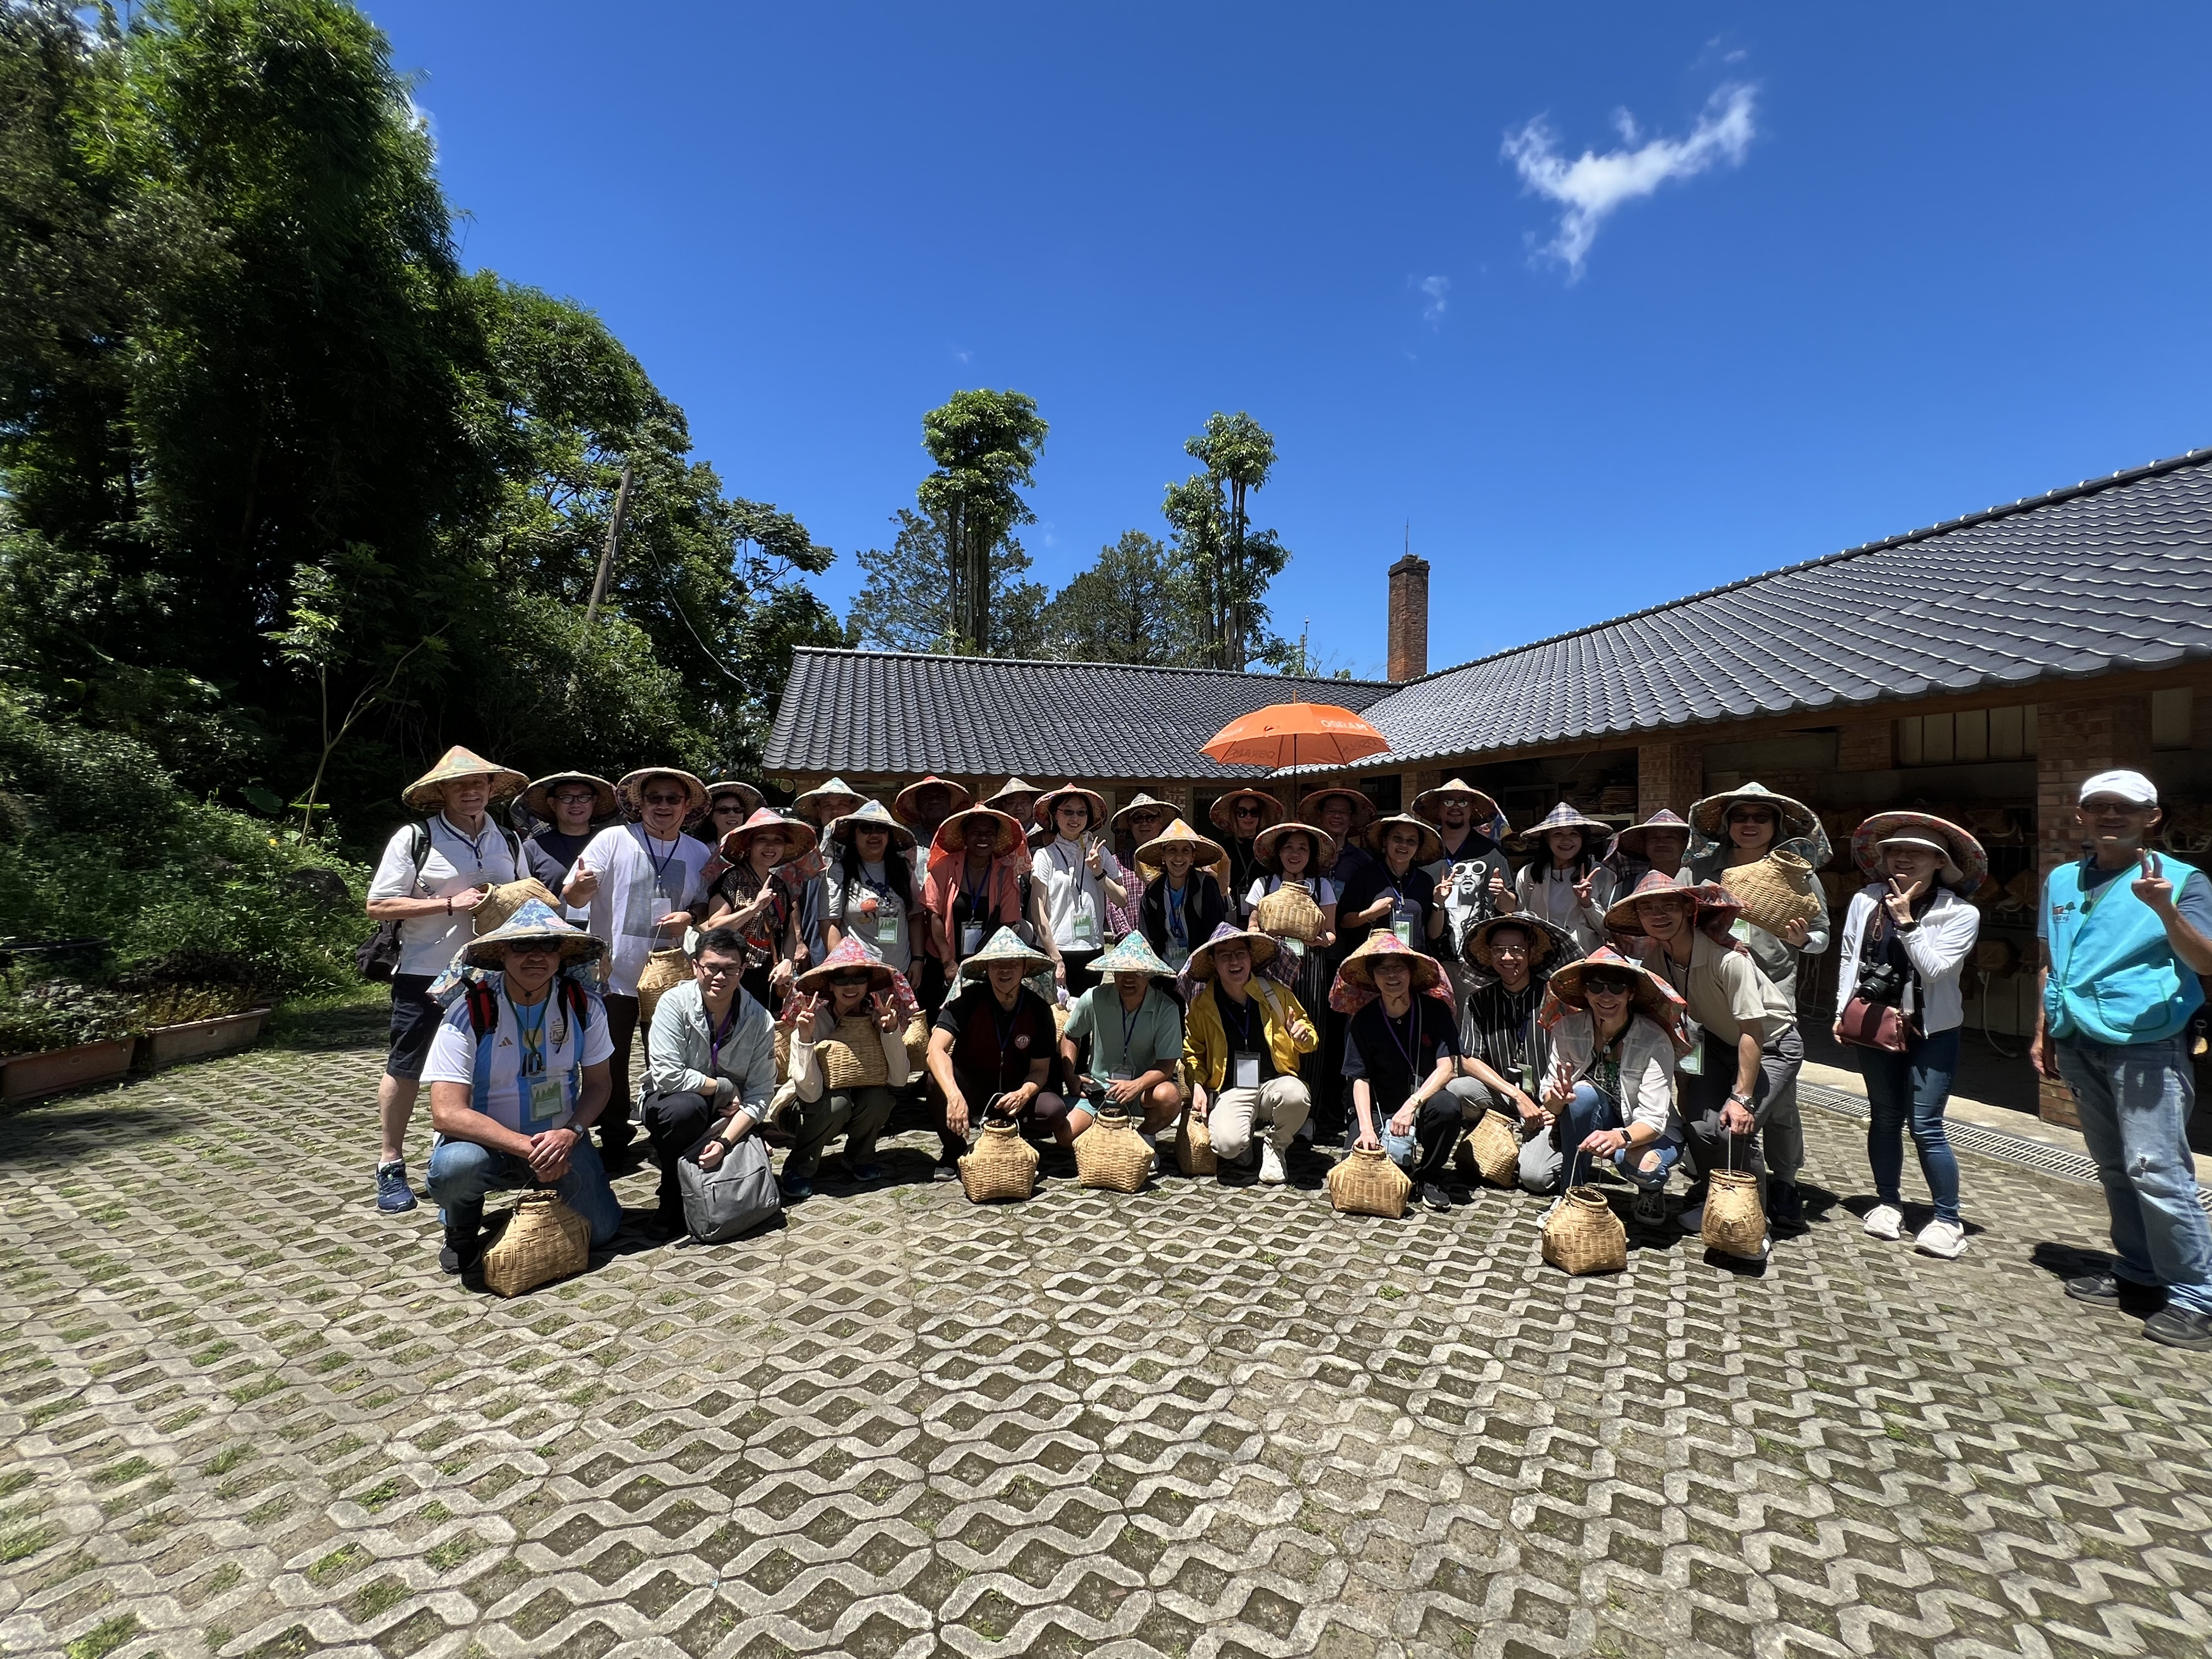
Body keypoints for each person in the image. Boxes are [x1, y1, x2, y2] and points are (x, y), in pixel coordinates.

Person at [2033, 770, 2212, 1350]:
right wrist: (2045, 1030)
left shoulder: (2184, 881)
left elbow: (2206, 960)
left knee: (2156, 1169)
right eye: (2099, 806)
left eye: (2126, 809)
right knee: (2113, 1166)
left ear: (2151, 817)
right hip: (2079, 1036)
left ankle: (2197, 1296)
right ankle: (2138, 1271)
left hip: (2146, 1041)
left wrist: (2165, 911)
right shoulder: (2062, 879)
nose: (2112, 816)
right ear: (2080, 815)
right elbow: (2050, 958)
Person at [365, 746, 528, 1214]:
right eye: (460, 785)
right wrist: (450, 904)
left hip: (491, 974)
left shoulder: (509, 840)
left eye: (479, 784)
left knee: (489, 1065)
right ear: (442, 792)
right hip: (425, 973)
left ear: (492, 789)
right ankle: (391, 1163)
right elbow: (379, 905)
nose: (471, 791)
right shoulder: (415, 838)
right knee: (407, 1066)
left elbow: (521, 900)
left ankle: (469, 1156)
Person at [420, 901, 620, 1274]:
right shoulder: (469, 1010)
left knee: (603, 1233)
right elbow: (446, 1113)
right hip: (485, 1145)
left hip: (560, 1139)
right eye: (522, 946)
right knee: (456, 1168)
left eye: (547, 947)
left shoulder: (583, 1004)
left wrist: (570, 1133)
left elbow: (599, 1084)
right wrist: (527, 1149)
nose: (535, 957)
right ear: (502, 953)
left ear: (561, 956)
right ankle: (460, 1222)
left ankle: (547, 1193)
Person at [1612, 872, 1803, 1252]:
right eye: (1648, 908)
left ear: (1688, 910)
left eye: (1669, 906)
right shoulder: (1655, 958)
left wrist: (1742, 1096)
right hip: (1716, 1043)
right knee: (1700, 1126)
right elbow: (1669, 1020)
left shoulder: (1727, 959)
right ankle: (1709, 1198)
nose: (1658, 915)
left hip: (1772, 1045)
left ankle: (1753, 1222)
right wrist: (1681, 1082)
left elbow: (1753, 1031)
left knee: (1734, 1128)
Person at [1835, 812, 1987, 1260]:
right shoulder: (1866, 900)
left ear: (1940, 861)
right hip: (1877, 1024)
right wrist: (1842, 1011)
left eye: (1916, 852)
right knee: (1883, 1117)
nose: (1903, 858)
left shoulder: (1960, 913)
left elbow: (1937, 969)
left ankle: (1947, 1218)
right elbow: (1849, 956)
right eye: (1895, 850)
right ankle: (1888, 1203)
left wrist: (1906, 923)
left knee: (1926, 1125)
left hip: (1932, 1031)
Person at [565, 768, 714, 1155]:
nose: (663, 806)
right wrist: (576, 889)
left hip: (672, 976)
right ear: (640, 804)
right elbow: (574, 896)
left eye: (672, 799)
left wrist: (692, 917)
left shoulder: (698, 852)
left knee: (668, 1057)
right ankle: (614, 1137)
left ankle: (667, 1131)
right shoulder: (613, 840)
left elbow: (704, 902)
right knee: (607, 1059)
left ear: (686, 806)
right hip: (612, 975)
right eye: (655, 798)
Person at [1523, 948, 1684, 1227]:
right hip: (1595, 1116)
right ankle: (1571, 1194)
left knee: (1644, 1166)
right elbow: (1550, 1099)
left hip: (1639, 1128)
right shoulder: (1567, 1029)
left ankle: (1650, 1189)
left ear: (1630, 993)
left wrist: (1619, 1138)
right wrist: (1558, 1100)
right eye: (1596, 986)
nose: (1606, 996)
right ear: (1585, 993)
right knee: (1581, 1096)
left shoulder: (1655, 1039)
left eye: (1616, 987)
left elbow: (1654, 1120)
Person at [637, 924, 778, 1237]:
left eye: (731, 969)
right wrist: (722, 1088)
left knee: (708, 1123)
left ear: (743, 970)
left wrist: (725, 1142)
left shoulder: (760, 1020)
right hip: (671, 1101)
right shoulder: (673, 1003)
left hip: (729, 1114)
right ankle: (672, 1196)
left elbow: (760, 1093)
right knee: (684, 1110)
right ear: (695, 966)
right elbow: (666, 1075)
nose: (720, 977)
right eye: (712, 967)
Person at [776, 938, 928, 1198]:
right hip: (804, 1106)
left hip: (856, 1099)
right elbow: (809, 1093)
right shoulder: (814, 1019)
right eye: (842, 980)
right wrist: (805, 1037)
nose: (851, 986)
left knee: (879, 1099)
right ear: (830, 985)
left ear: (868, 984)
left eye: (859, 978)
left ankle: (859, 1157)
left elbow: (899, 1080)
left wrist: (890, 1032)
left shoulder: (878, 1015)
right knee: (837, 1104)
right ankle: (799, 1166)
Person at [1182, 922, 1318, 1184]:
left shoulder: (1276, 994)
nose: (1234, 961)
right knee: (1227, 1145)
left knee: (1297, 1095)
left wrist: (1302, 1037)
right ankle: (1243, 1147)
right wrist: (1197, 1083)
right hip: (1231, 1089)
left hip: (1274, 1083)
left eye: (1240, 954)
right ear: (1214, 962)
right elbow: (1193, 1051)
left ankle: (1276, 1146)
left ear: (1250, 958)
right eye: (1225, 955)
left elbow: (1309, 1039)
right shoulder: (1202, 1005)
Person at [928, 928, 1071, 1178]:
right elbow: (935, 1049)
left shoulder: (1038, 1009)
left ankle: (1014, 1142)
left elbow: (1040, 1071)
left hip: (1015, 1093)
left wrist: (1024, 1093)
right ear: (987, 968)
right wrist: (953, 1096)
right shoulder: (967, 1000)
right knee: (934, 1083)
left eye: (1012, 964)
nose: (1005, 971)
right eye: (997, 964)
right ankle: (953, 1150)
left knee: (1054, 1110)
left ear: (1025, 968)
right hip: (972, 1089)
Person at [1338, 934, 1461, 1212]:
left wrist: (1411, 1105)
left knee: (1449, 1106)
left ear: (1411, 973)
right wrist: (1367, 1128)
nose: (1392, 975)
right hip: (1379, 1108)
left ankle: (1430, 1176)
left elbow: (1447, 1069)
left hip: (1422, 1102)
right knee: (1355, 1159)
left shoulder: (1435, 1011)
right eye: (1383, 969)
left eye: (1398, 968)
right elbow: (1359, 1078)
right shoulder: (1363, 1019)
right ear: (1373, 977)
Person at [1686, 783, 1832, 1007]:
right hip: (1709, 994)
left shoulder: (1799, 876)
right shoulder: (1698, 872)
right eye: (1740, 816)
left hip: (1772, 995)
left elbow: (1822, 936)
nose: (1749, 824)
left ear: (1776, 825)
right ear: (1728, 824)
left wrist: (1804, 941)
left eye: (1761, 817)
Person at [1447, 914, 1577, 1147]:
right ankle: (1492, 1129)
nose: (1507, 957)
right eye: (1499, 950)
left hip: (1551, 1101)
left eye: (1516, 949)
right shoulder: (1478, 1001)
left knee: (1536, 1179)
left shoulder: (1555, 999)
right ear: (1490, 954)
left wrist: (1554, 1106)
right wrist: (1515, 1095)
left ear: (1531, 952)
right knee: (1458, 1088)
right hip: (1505, 1096)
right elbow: (1468, 1060)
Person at [1060, 933, 1184, 1139]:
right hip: (1100, 1089)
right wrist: (1070, 1074)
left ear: (1149, 975)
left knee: (1170, 1097)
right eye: (1122, 970)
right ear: (1114, 972)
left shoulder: (1166, 1009)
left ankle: (1144, 1136)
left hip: (1143, 1091)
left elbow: (1167, 1065)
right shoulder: (1093, 998)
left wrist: (1136, 1085)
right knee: (1065, 1136)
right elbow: (1070, 1035)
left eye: (1138, 972)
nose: (1129, 978)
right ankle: (1104, 1135)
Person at [701, 808, 816, 1012]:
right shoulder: (732, 879)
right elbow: (714, 926)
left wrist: (787, 960)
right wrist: (754, 908)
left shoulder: (779, 885)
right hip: (732, 973)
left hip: (769, 973)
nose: (770, 847)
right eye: (762, 839)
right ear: (750, 845)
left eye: (778, 841)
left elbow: (788, 930)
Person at [1414, 778, 1513, 1011]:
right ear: (1439, 809)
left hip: (1478, 957)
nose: (1455, 807)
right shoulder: (1424, 852)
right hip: (1432, 956)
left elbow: (1511, 906)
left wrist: (1502, 893)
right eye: (1448, 801)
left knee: (1479, 1019)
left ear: (1472, 808)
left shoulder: (1490, 851)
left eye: (1463, 801)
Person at [922, 806, 1042, 989]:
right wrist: (947, 962)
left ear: (997, 837)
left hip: (986, 962)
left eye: (989, 833)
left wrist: (984, 963)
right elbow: (934, 915)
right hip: (941, 960)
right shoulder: (944, 867)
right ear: (965, 836)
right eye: (976, 832)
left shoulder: (1005, 874)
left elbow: (1007, 925)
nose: (983, 838)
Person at [1031, 783, 1126, 996]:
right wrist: (1056, 958)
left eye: (1081, 813)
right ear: (1055, 815)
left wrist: (1099, 873)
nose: (1075, 818)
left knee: (1084, 1021)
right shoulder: (1045, 856)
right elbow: (1038, 913)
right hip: (1056, 951)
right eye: (1068, 812)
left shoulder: (1100, 853)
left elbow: (1121, 899)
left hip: (1092, 950)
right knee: (1055, 1022)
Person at [821, 800, 923, 977]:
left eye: (881, 829)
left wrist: (918, 960)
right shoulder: (840, 871)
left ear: (889, 836)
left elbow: (915, 918)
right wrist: (841, 966)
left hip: (900, 970)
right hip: (857, 973)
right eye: (866, 829)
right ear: (854, 836)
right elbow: (830, 924)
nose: (874, 835)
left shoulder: (903, 869)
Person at [1509, 803, 1620, 956]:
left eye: (1574, 834)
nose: (1566, 841)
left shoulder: (1602, 875)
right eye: (1558, 834)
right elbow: (1521, 919)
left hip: (1585, 956)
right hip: (1542, 957)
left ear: (1583, 839)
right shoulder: (1529, 874)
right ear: (1547, 839)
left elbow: (1608, 931)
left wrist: (1587, 904)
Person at [1338, 814, 1451, 957]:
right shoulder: (1365, 876)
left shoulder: (1425, 881)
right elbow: (1344, 922)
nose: (1404, 845)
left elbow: (1433, 934)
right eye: (1397, 838)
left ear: (1418, 848)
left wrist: (1439, 903)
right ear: (1385, 841)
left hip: (1413, 963)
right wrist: (1370, 914)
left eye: (1412, 841)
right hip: (1371, 962)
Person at [1135, 817, 1230, 975]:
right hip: (1166, 972)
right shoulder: (1153, 892)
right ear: (1163, 856)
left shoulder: (1206, 887)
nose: (1179, 857)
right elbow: (1148, 938)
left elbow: (1216, 934)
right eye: (1172, 850)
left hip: (1201, 971)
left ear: (1193, 857)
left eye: (1185, 850)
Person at [519, 772, 617, 923]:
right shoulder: (533, 848)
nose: (576, 804)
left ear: (594, 801)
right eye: (566, 798)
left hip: (604, 930)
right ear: (553, 803)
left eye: (584, 797)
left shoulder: (611, 844)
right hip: (550, 935)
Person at [1209, 788, 1283, 924]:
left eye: (1254, 812)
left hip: (1266, 916)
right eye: (1242, 812)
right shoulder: (1221, 849)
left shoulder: (1271, 848)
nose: (1248, 817)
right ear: (1234, 815)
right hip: (1229, 916)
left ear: (1261, 815)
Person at [1107, 793, 1175, 939]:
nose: (1145, 823)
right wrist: (1130, 940)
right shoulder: (1116, 862)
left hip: (1171, 943)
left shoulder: (1175, 861)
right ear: (1130, 825)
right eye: (1138, 819)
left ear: (1160, 823)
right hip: (1130, 945)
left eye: (1151, 818)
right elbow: (1113, 905)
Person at [894, 775, 975, 872]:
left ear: (950, 804)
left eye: (940, 797)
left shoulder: (964, 838)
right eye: (927, 797)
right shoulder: (905, 839)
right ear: (918, 806)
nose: (935, 801)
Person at [1305, 787, 1378, 891]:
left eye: (1343, 812)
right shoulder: (1306, 854)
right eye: (1331, 811)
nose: (1337, 816)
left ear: (1351, 820)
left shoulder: (1362, 860)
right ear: (1319, 816)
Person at [1609, 808, 1692, 894]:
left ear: (1684, 844)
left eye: (1670, 837)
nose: (1661, 843)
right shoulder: (1627, 887)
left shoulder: (1698, 881)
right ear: (1645, 845)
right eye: (1654, 838)